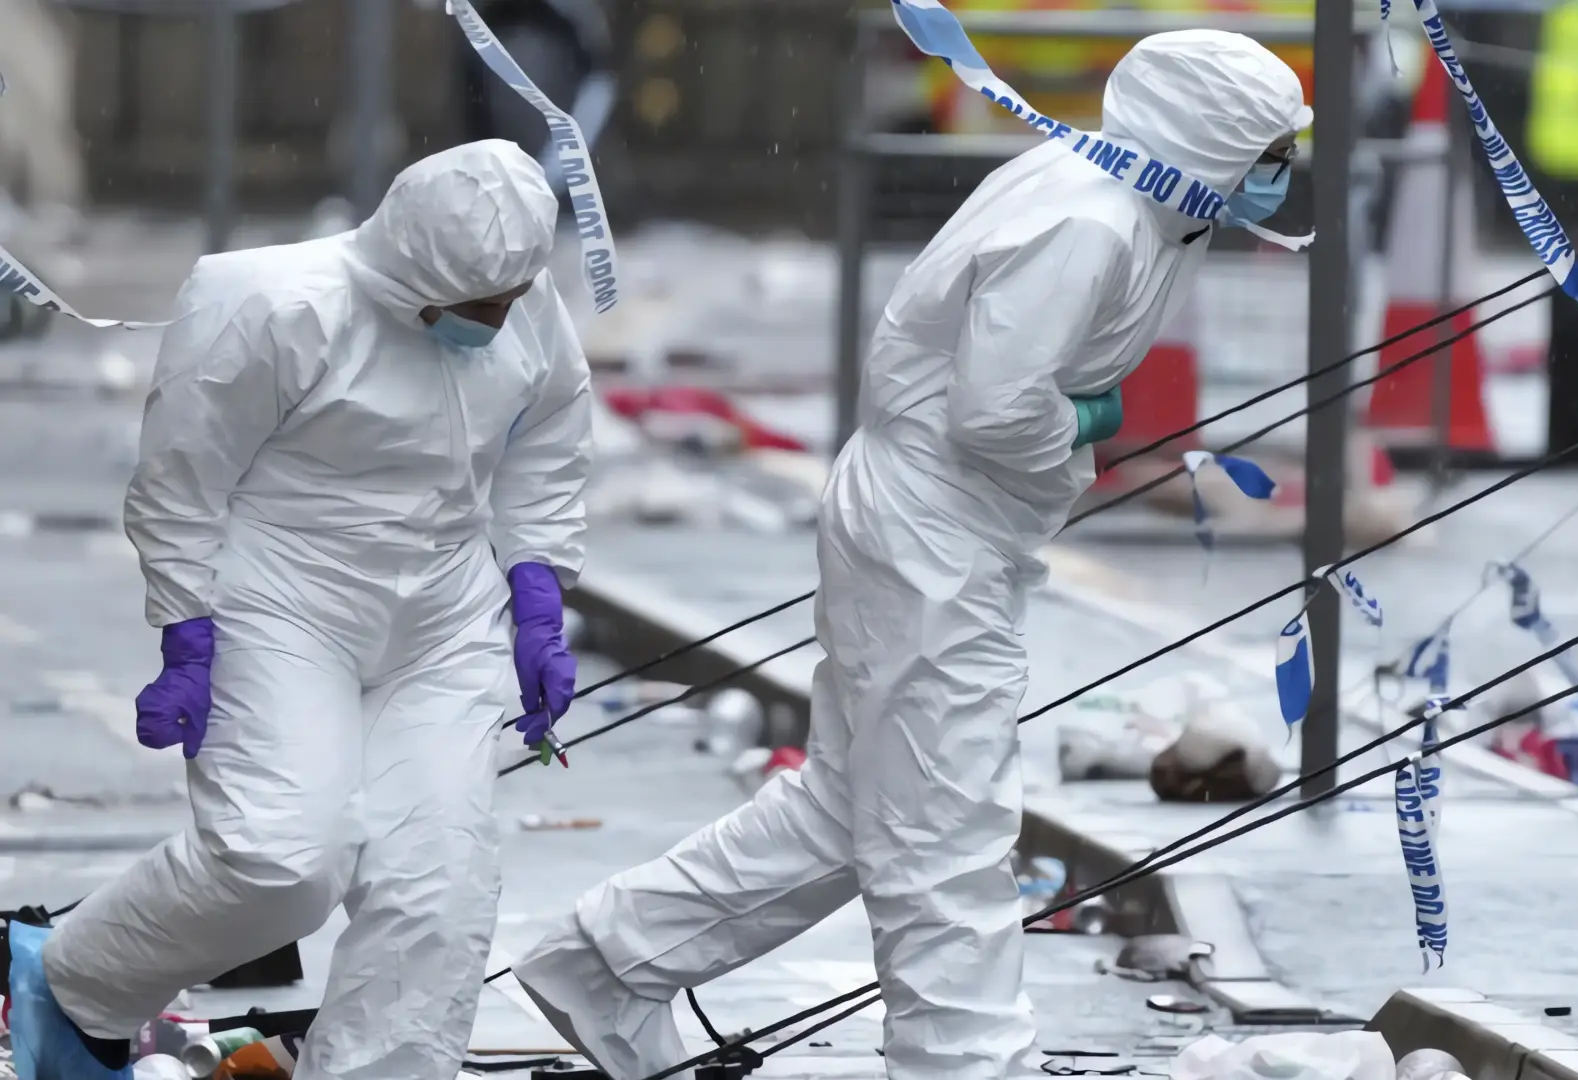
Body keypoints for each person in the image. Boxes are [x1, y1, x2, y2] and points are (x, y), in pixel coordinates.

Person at [511, 30, 1311, 1080]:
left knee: (851, 812)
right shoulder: (1093, 223)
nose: (1280, 175)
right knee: (948, 818)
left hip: (935, 523)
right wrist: (1084, 421)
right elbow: (995, 412)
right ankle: (964, 1061)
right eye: (1266, 150)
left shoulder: (1121, 199)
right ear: (1207, 143)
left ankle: (606, 962)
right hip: (938, 528)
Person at [4, 139, 593, 1080]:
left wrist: (535, 588)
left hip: (441, 609)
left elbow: (551, 428)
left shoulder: (520, 295)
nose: (499, 320)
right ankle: (79, 981)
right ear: (416, 272)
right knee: (280, 861)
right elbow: (182, 479)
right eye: (480, 306)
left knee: (437, 881)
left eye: (510, 300)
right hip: (285, 598)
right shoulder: (273, 302)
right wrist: (186, 630)